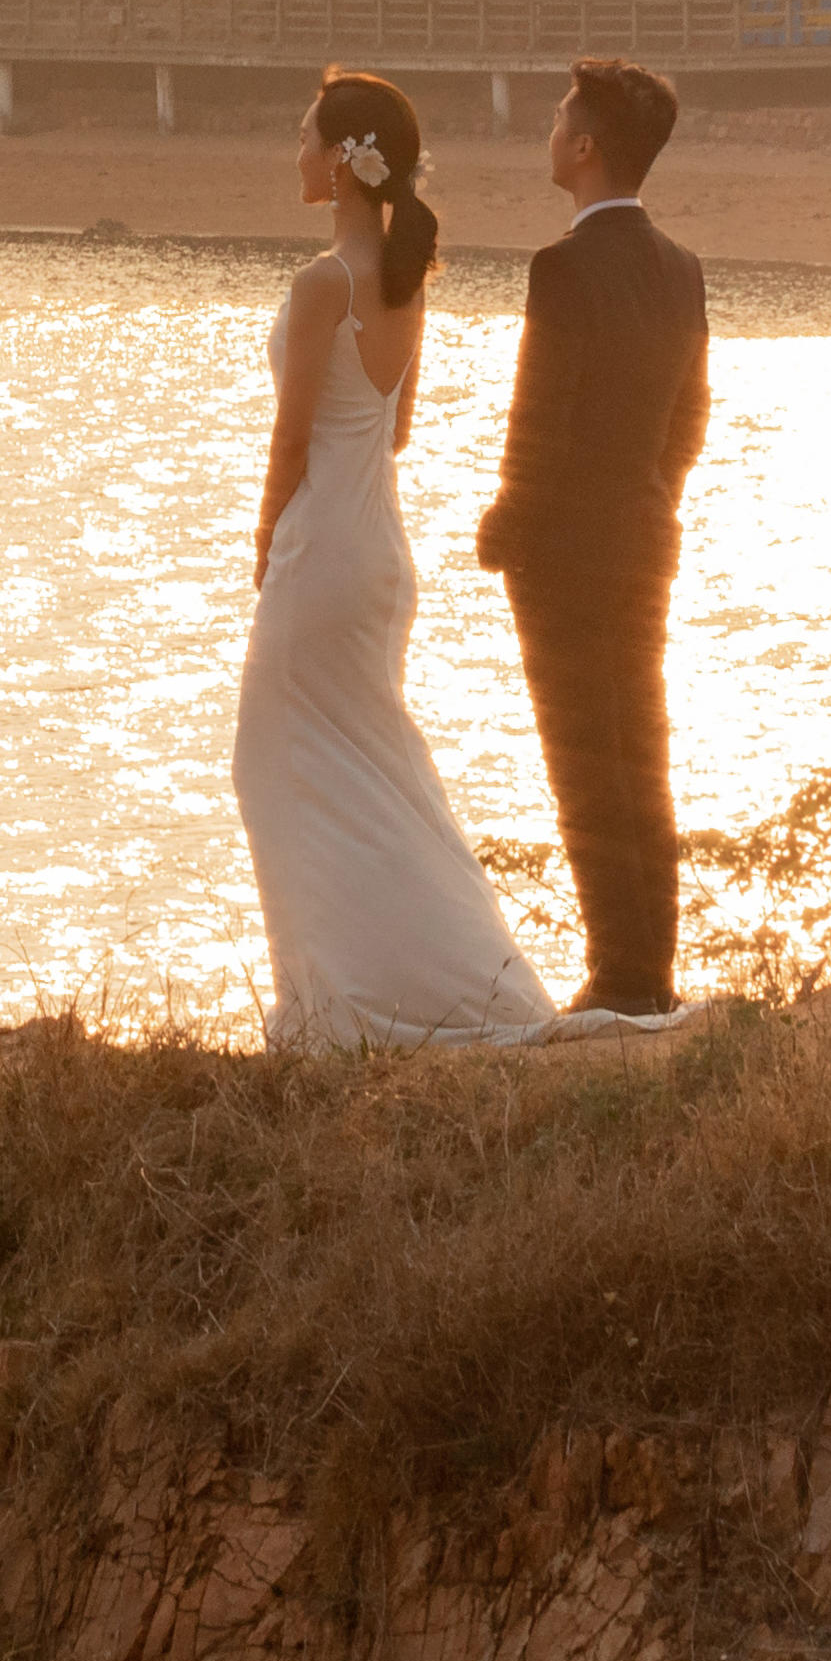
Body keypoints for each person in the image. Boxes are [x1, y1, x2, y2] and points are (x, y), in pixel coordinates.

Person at [230, 70, 557, 1054]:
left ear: (340, 160)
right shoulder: (406, 283)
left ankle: (335, 1002)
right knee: (372, 773)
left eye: (303, 136)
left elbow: (291, 445)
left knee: (271, 763)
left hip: (326, 547)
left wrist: (265, 540)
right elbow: (397, 430)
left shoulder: (324, 284)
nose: (294, 152)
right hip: (382, 551)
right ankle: (386, 986)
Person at [477, 52, 708, 1022]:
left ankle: (616, 975)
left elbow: (542, 413)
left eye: (559, 118)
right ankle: (647, 966)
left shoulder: (562, 269)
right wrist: (653, 493)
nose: (548, 131)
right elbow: (689, 416)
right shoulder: (680, 270)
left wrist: (507, 524)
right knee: (640, 747)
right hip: (647, 529)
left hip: (568, 545)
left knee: (581, 757)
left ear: (583, 148)